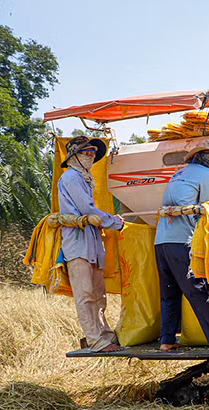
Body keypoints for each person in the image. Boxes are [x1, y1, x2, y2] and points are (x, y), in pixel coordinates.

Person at [154, 140, 209, 351]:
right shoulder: (205, 173)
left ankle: (166, 341)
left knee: (169, 293)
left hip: (161, 241)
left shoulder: (179, 173)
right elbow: (205, 208)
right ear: (208, 159)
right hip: (181, 241)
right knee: (198, 289)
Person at [58, 136, 125, 352]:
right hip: (77, 243)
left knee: (98, 292)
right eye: (86, 152)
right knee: (85, 293)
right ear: (73, 156)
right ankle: (96, 340)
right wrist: (114, 222)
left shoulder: (84, 178)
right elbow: (87, 210)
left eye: (93, 152)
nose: (91, 155)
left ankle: (105, 335)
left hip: (91, 241)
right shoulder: (71, 178)